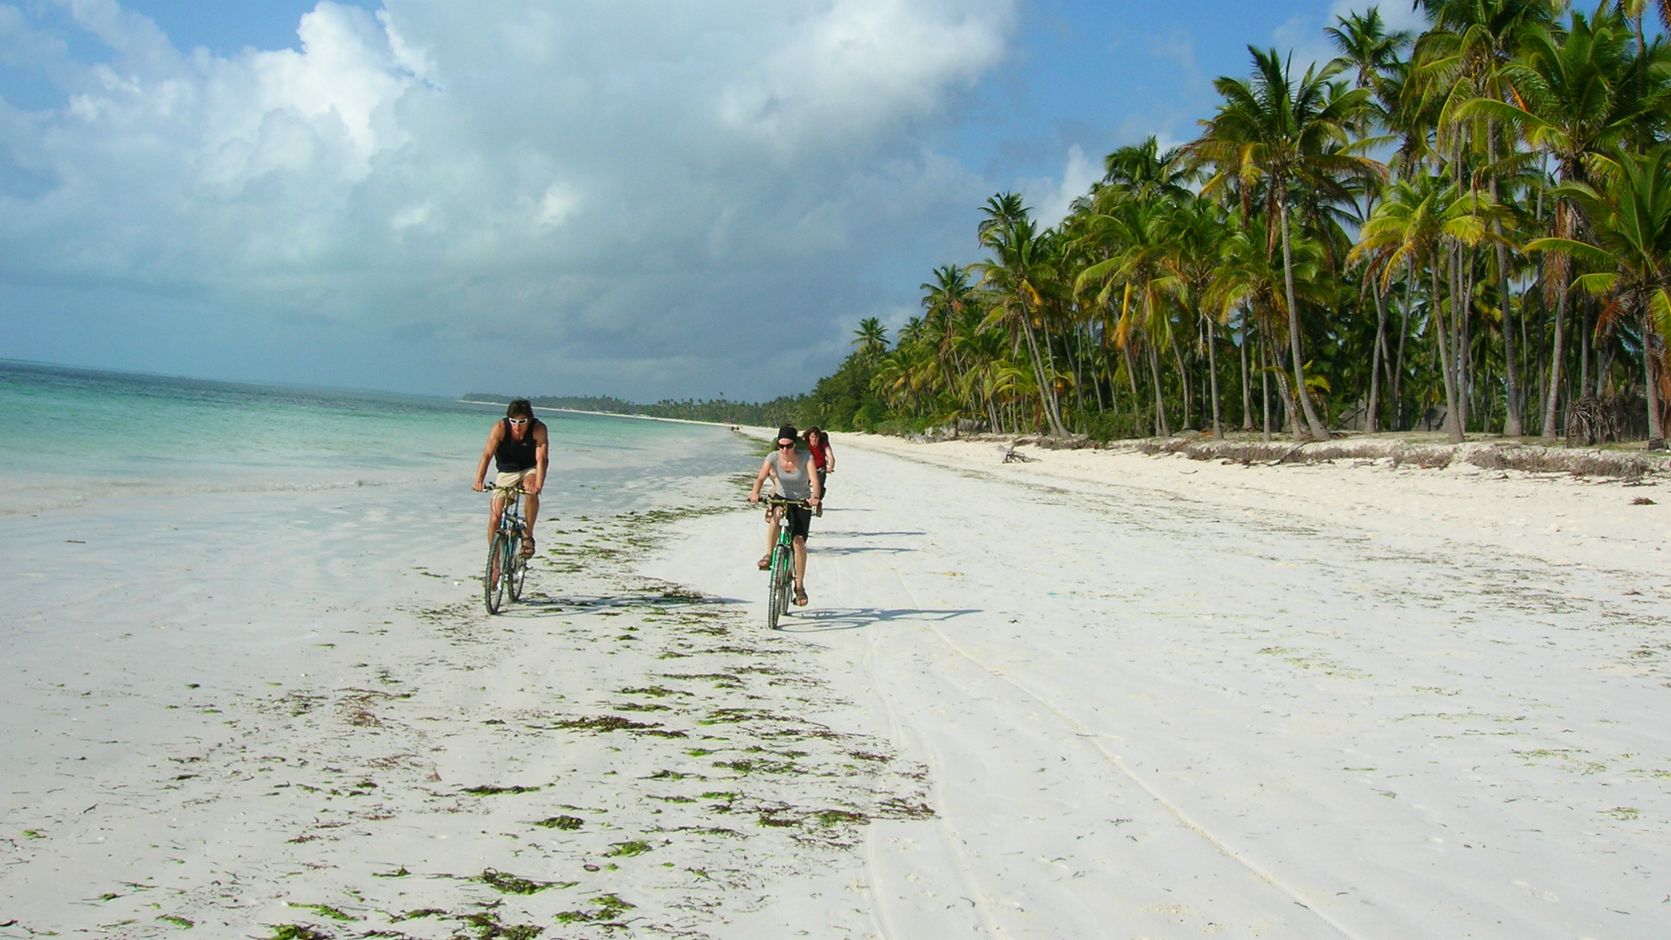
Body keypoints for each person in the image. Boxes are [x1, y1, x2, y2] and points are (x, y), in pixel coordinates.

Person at [749, 424, 822, 607]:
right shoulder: (773, 457)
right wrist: (755, 493)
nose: (784, 450)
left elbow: (814, 480)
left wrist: (815, 497)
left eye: (788, 446)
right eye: (781, 446)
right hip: (781, 497)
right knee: (777, 514)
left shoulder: (806, 458)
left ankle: (799, 587)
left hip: (801, 501)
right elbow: (760, 478)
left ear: (795, 445)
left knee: (798, 542)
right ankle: (768, 554)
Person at [471, 399, 551, 556]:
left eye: (522, 422)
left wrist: (538, 485)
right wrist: (479, 480)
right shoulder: (500, 427)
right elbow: (487, 454)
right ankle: (494, 562)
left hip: (530, 468)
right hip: (506, 471)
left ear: (529, 419)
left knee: (530, 489)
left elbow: (542, 458)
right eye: (513, 421)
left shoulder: (538, 429)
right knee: (495, 517)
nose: (517, 426)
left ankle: (528, 534)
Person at [803, 426, 835, 516]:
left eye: (816, 437)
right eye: (812, 437)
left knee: (819, 485)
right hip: (808, 468)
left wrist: (830, 467)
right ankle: (806, 502)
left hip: (820, 467)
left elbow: (830, 456)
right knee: (803, 485)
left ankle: (818, 503)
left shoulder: (823, 443)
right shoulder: (805, 444)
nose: (814, 439)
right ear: (809, 437)